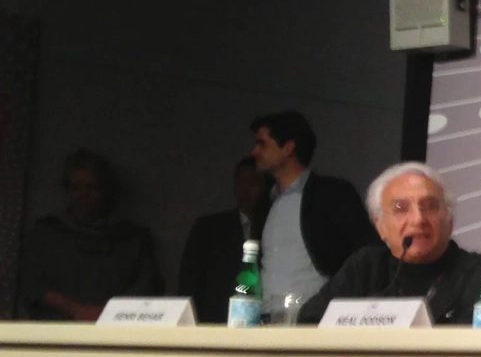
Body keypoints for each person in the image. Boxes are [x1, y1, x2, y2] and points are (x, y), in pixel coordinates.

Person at [297, 162, 481, 325]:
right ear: (380, 226)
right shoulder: (366, 267)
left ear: (450, 221)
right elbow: (309, 321)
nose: (418, 219)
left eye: (430, 206)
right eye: (401, 208)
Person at [248, 111, 379, 321]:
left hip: (317, 321)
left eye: (262, 144)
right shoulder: (265, 203)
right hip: (264, 319)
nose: (254, 151)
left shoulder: (331, 193)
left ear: (288, 147)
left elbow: (367, 253)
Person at [18, 149, 164, 320]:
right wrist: (76, 310)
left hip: (115, 332)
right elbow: (31, 285)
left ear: (105, 190)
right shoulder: (46, 234)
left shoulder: (133, 239)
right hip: (54, 331)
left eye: (91, 187)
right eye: (76, 188)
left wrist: (107, 313)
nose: (83, 195)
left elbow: (147, 289)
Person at [177, 157, 271, 324]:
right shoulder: (209, 228)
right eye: (240, 182)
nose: (245, 190)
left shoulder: (275, 226)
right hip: (215, 322)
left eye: (253, 183)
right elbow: (189, 282)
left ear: (266, 186)